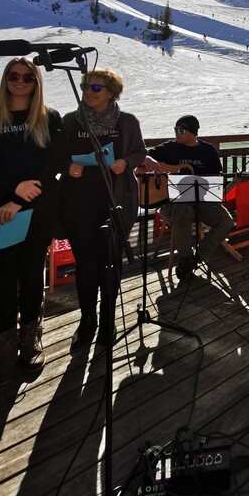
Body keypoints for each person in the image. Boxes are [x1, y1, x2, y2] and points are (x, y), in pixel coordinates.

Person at [0, 58, 61, 385]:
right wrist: (11, 190)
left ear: (36, 82)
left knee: (31, 273)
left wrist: (20, 199)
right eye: (13, 75)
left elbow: (53, 162)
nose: (19, 81)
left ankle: (30, 338)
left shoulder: (49, 118)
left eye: (27, 77)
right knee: (1, 278)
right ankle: (5, 345)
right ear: (5, 79)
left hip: (36, 210)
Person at [59, 69, 145, 350]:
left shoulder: (127, 121)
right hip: (78, 204)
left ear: (111, 92)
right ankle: (87, 320)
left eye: (95, 87)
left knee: (111, 263)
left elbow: (139, 152)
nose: (88, 91)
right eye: (85, 86)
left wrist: (125, 162)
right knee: (85, 264)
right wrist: (68, 167)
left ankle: (108, 319)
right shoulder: (71, 120)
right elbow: (57, 156)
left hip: (115, 203)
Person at [143, 115, 234, 280]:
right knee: (183, 211)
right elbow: (142, 156)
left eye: (181, 130)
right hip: (172, 202)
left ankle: (196, 258)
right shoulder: (168, 147)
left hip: (202, 201)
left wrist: (219, 179)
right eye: (175, 129)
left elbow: (217, 175)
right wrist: (147, 158)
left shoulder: (208, 150)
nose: (177, 133)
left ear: (193, 132)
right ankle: (184, 259)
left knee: (226, 221)